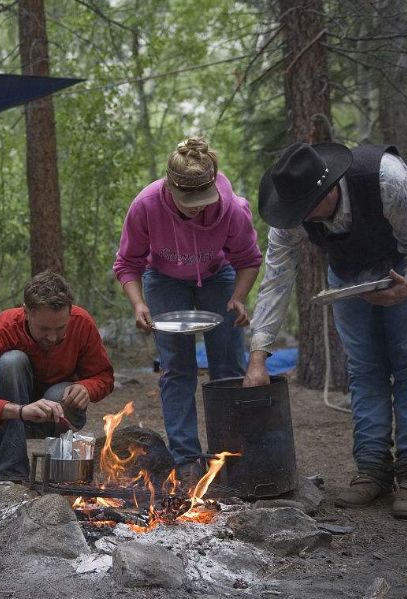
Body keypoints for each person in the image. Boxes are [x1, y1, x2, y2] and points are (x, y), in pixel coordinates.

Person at [245, 141, 407, 519]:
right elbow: (276, 279)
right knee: (363, 369)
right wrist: (259, 354)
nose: (300, 218)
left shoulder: (387, 179)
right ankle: (371, 470)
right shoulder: (291, 213)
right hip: (350, 275)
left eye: (306, 209)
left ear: (330, 189)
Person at [113, 137, 262, 480]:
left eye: (202, 201)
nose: (196, 208)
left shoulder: (232, 209)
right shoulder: (146, 205)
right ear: (169, 187)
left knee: (228, 366)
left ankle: (232, 455)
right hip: (163, 280)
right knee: (177, 368)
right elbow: (127, 263)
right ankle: (187, 461)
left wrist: (238, 297)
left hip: (217, 277)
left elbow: (249, 260)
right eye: (188, 202)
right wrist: (138, 304)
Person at [0, 271, 114, 482]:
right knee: (11, 361)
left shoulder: (82, 323)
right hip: (16, 415)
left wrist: (87, 388)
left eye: (61, 328)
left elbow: (105, 376)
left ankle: (62, 477)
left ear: (70, 312)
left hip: (61, 413)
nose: (53, 337)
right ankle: (11, 478)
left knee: (59, 393)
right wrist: (20, 410)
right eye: (44, 329)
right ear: (26, 312)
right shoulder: (3, 328)